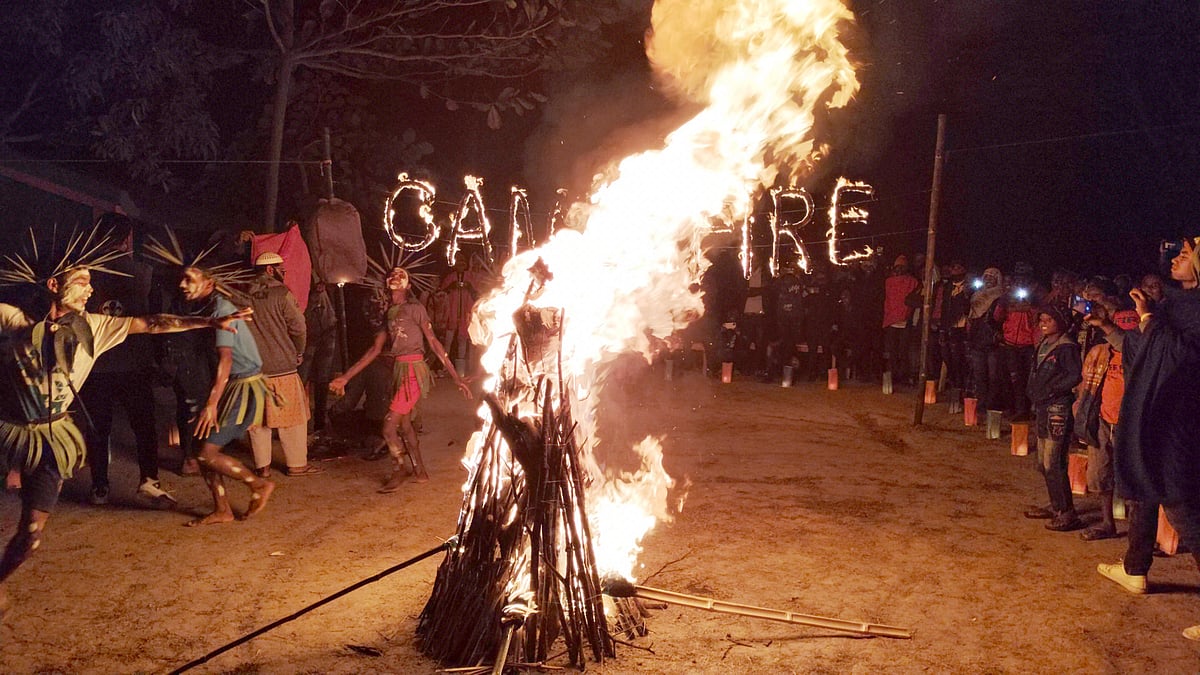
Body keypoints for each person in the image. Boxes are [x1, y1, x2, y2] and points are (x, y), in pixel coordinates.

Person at [0, 230, 250, 612]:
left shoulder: (96, 327)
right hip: (9, 429)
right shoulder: (12, 319)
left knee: (31, 536)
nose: (89, 290)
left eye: (90, 282)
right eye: (81, 282)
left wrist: (208, 324)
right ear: (53, 285)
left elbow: (152, 323)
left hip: (53, 435)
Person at [1092, 237, 1200, 641]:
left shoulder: (1192, 309)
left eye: (1186, 255)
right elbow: (1144, 349)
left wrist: (1151, 319)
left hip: (1182, 423)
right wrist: (1110, 325)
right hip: (1159, 419)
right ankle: (1135, 568)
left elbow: (1180, 356)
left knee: (1185, 510)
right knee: (1147, 488)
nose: (1176, 259)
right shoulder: (1177, 305)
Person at [330, 266, 471, 491]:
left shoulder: (415, 309)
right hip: (399, 370)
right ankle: (420, 471)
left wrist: (456, 377)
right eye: (392, 275)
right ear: (387, 284)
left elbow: (433, 342)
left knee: (388, 427)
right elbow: (374, 350)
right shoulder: (390, 313)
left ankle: (399, 468)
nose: (395, 277)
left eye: (401, 275)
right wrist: (346, 377)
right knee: (405, 425)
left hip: (414, 371)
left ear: (409, 286)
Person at [76, 223, 174, 507]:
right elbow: (154, 317)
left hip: (97, 364)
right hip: (135, 361)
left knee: (98, 427)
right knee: (143, 425)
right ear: (128, 238)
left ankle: (99, 486)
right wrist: (161, 356)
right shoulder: (142, 272)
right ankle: (149, 480)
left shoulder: (86, 274)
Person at [242, 252, 323, 478]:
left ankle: (262, 468)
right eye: (282, 270)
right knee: (292, 419)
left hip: (253, 369)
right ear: (270, 270)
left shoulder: (241, 294)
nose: (284, 274)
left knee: (258, 422)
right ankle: (297, 465)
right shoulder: (282, 294)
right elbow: (299, 328)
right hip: (282, 368)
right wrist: (298, 351)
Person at [1022, 304, 1083, 532]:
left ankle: (1067, 512)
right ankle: (1056, 505)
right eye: (1042, 319)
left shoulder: (1066, 348)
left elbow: (1074, 375)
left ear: (1061, 321)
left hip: (1057, 408)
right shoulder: (1044, 344)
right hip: (1043, 406)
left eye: (1049, 319)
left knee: (1053, 463)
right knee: (1043, 462)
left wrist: (1052, 390)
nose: (1043, 323)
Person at [881, 255, 919, 386]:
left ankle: (903, 376)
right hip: (892, 321)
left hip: (905, 321)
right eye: (897, 267)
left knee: (903, 351)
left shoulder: (912, 282)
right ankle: (893, 377)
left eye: (902, 267)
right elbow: (888, 301)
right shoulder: (889, 282)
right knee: (892, 351)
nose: (899, 269)